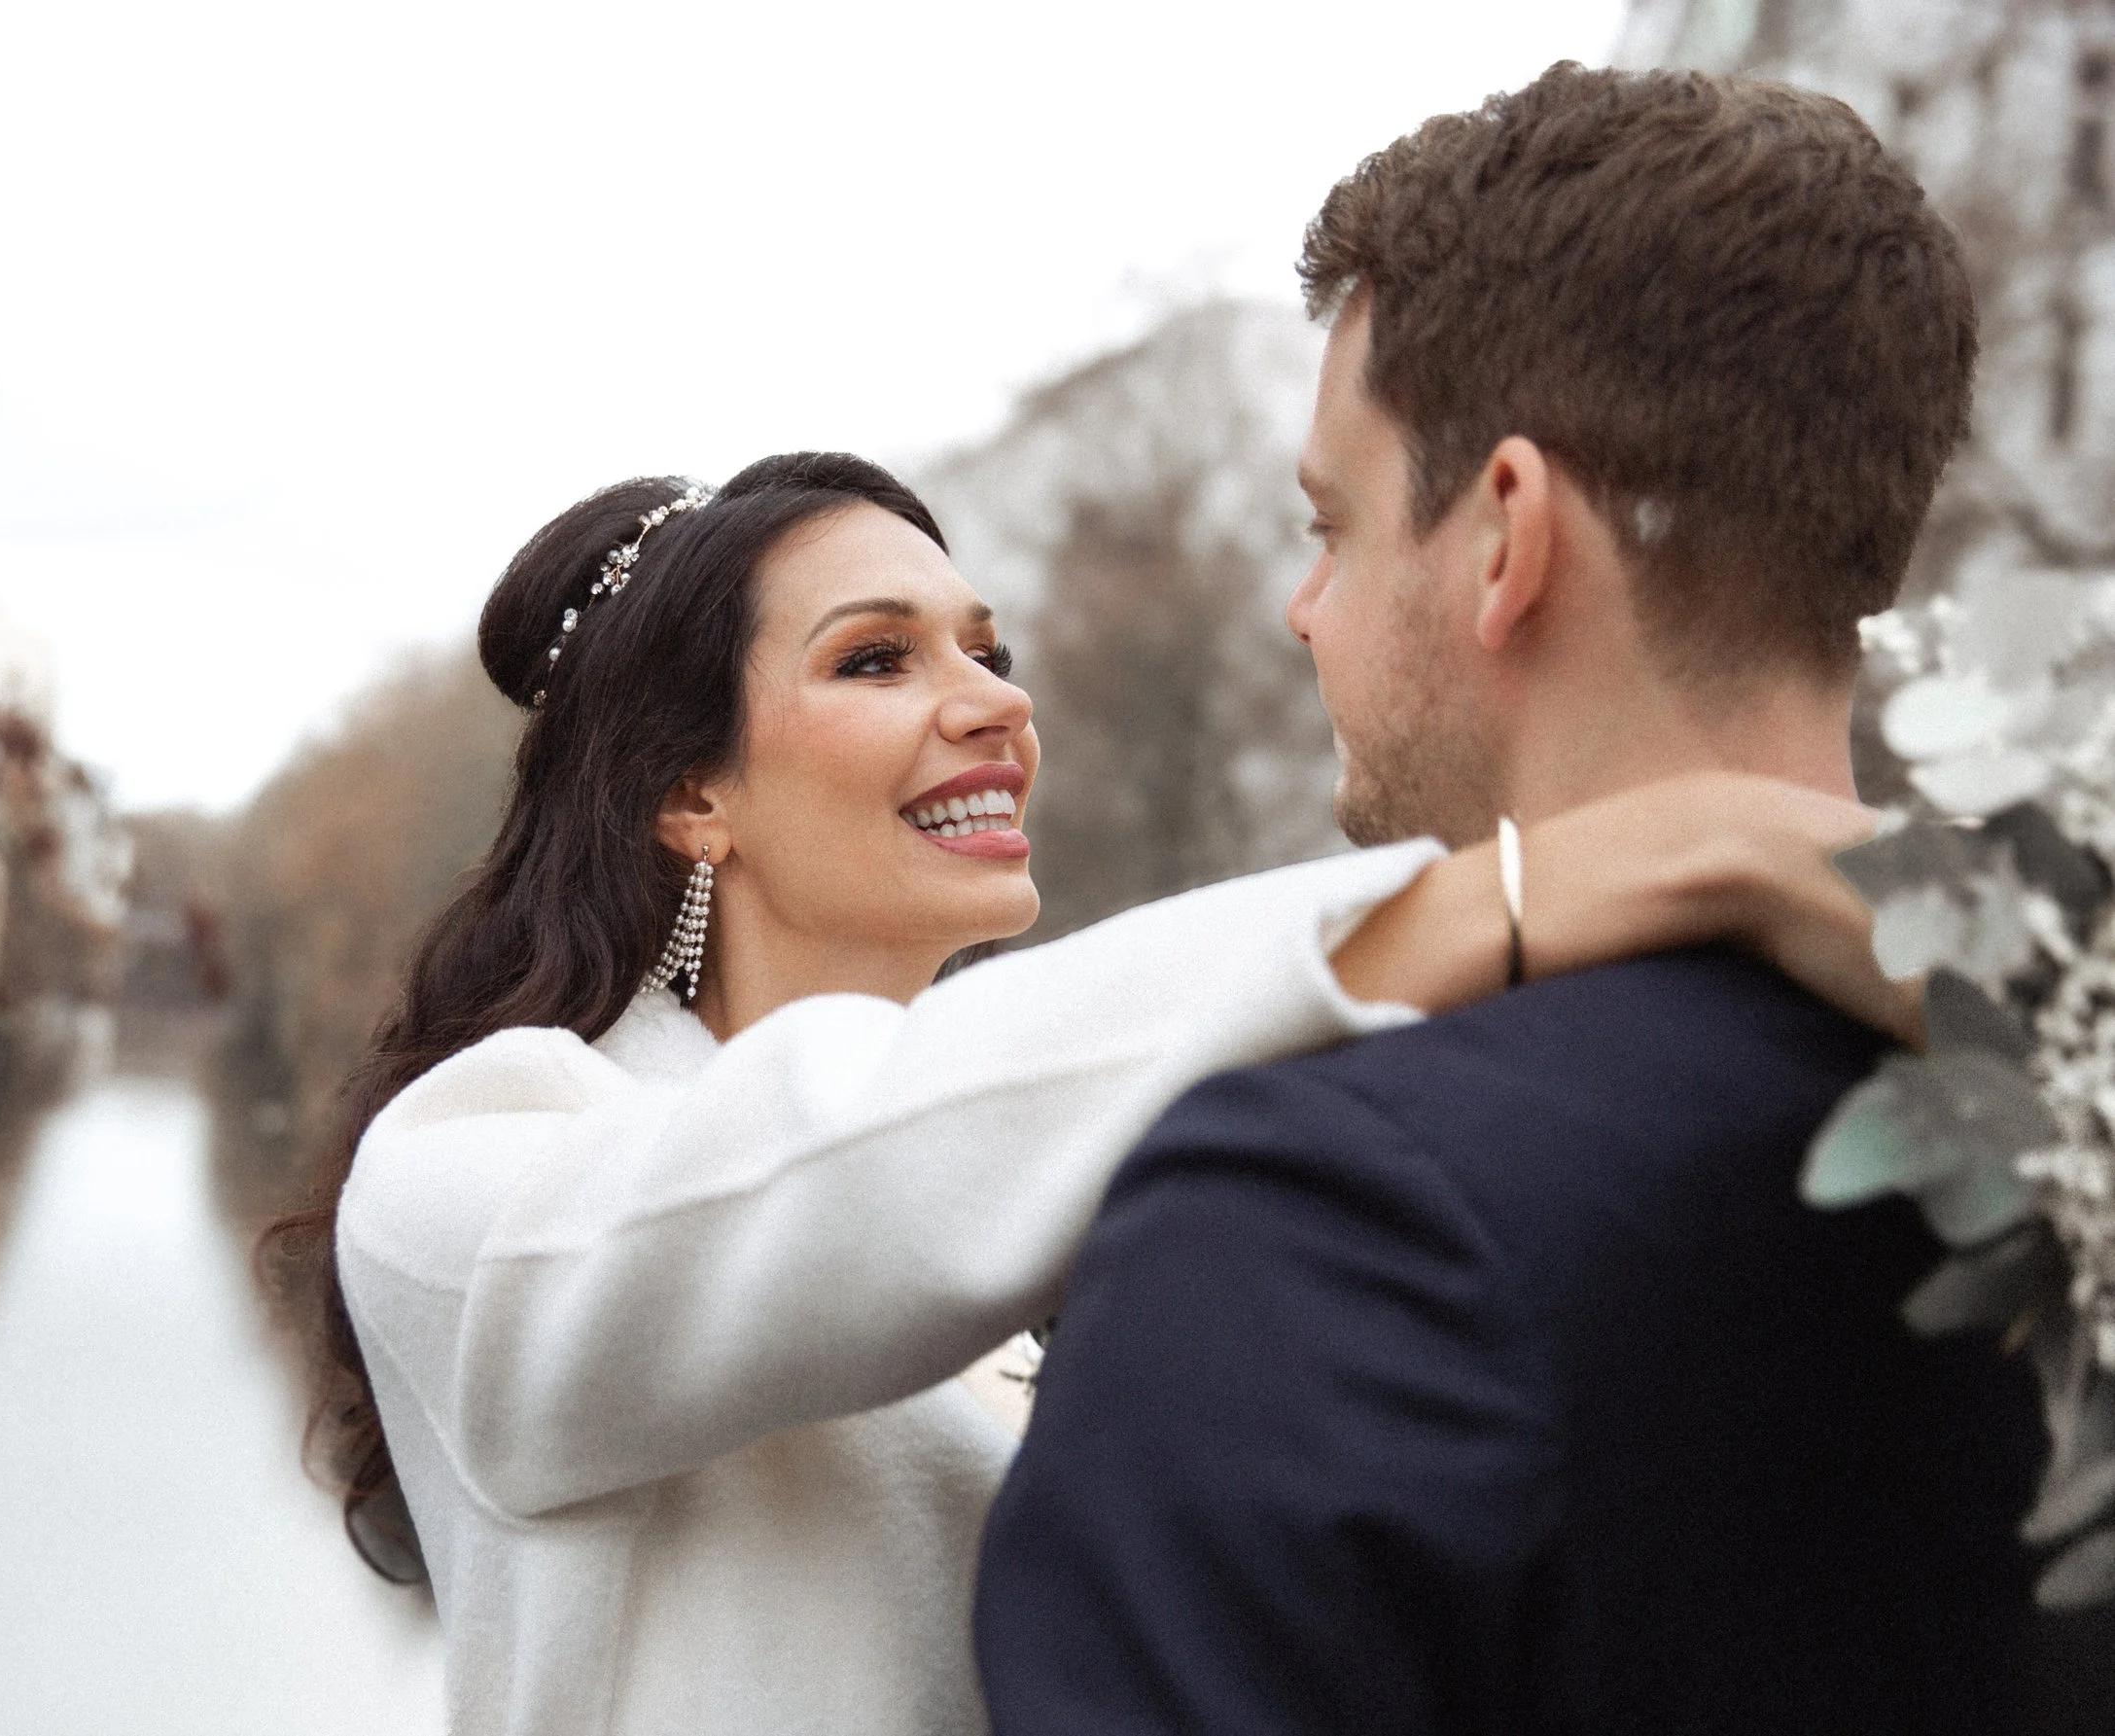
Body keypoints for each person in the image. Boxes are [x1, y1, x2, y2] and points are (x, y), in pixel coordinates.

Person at [279, 448, 1910, 1736]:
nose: (993, 702)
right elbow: (829, 1176)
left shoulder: (1041, 1205)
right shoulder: (471, 1184)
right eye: (877, 660)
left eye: (990, 650)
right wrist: (1610, 871)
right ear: (688, 792)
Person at [972, 63, 2042, 1736]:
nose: (1302, 611)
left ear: (1505, 539)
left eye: (1331, 525)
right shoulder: (2069, 1109)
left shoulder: (1321, 1220)